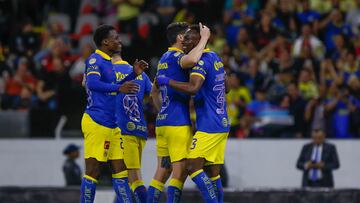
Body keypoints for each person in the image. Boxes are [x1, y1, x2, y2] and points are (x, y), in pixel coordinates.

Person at [157, 24, 229, 203]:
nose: (185, 42)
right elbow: (227, 87)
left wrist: (168, 81)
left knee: (191, 166)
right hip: (222, 120)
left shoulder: (201, 60)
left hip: (209, 124)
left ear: (200, 40)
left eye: (189, 38)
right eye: (184, 38)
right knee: (213, 173)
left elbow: (192, 88)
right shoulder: (215, 57)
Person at [80, 24, 148, 203]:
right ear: (105, 42)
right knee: (93, 171)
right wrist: (119, 87)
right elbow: (93, 84)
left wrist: (133, 74)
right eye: (116, 38)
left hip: (112, 124)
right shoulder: (95, 60)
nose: (119, 41)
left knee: (121, 171)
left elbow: (116, 88)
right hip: (97, 121)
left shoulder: (108, 62)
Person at [147, 22, 210, 203]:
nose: (190, 38)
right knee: (180, 172)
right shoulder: (176, 56)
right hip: (177, 123)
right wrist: (204, 38)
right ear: (180, 38)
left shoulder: (162, 60)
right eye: (188, 35)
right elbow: (192, 60)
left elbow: (154, 92)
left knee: (161, 172)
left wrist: (162, 112)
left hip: (163, 123)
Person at [112, 53, 152, 203]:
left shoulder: (108, 71)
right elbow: (153, 93)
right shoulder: (140, 74)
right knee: (128, 178)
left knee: (131, 178)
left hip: (123, 129)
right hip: (140, 129)